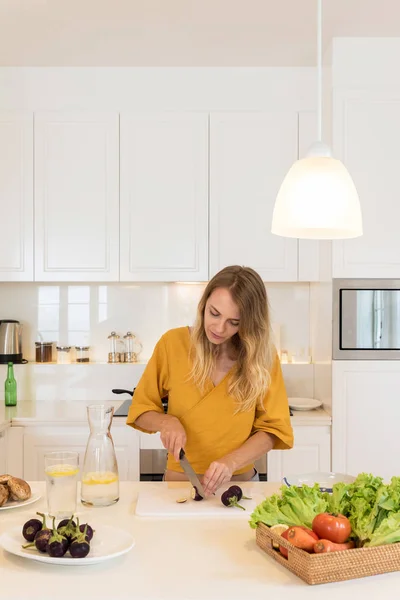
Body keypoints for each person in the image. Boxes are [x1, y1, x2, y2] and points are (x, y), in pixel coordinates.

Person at [126, 265, 294, 495]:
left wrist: (231, 462)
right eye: (214, 313)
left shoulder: (262, 357)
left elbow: (274, 429)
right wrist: (166, 422)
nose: (219, 327)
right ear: (203, 304)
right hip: (179, 487)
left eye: (234, 322)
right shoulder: (172, 344)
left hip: (240, 487)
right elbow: (140, 410)